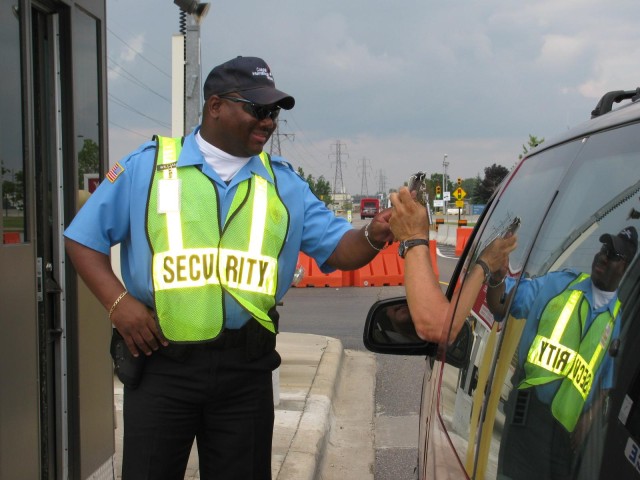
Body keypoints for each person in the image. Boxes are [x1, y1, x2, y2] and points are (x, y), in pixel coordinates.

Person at [64, 56, 393, 480]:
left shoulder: (283, 183)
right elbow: (81, 238)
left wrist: (374, 234)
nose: (269, 121)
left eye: (273, 112)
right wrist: (118, 303)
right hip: (162, 364)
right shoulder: (147, 167)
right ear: (215, 106)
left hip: (245, 371)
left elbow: (340, 248)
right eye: (257, 109)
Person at [486, 226, 638, 480]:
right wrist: (497, 277)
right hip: (527, 417)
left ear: (625, 268)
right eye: (603, 248)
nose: (603, 256)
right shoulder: (559, 285)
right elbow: (500, 304)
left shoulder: (618, 320)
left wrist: (588, 419)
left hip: (565, 441)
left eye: (613, 255)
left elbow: (606, 383)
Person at [389, 186, 517, 345]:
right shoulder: (539, 286)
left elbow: (439, 328)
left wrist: (413, 237)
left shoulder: (544, 285)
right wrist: (497, 277)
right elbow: (501, 309)